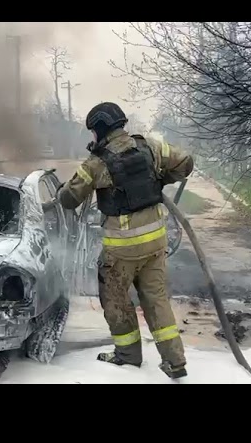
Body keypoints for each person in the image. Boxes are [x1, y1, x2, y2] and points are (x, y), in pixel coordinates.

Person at [56, 102, 194, 379]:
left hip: (122, 249)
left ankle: (128, 356)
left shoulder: (96, 163)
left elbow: (69, 199)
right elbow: (186, 163)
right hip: (156, 243)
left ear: (99, 129)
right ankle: (175, 361)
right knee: (156, 299)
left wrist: (63, 189)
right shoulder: (150, 147)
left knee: (115, 299)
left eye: (93, 132)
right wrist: (159, 180)